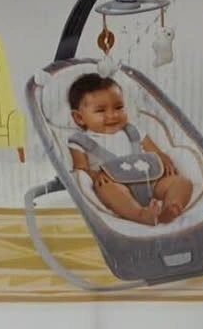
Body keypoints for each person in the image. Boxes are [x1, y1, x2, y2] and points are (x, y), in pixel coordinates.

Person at [67, 73, 192, 226]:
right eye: (101, 111)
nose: (112, 115)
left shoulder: (133, 131)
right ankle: (141, 215)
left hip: (151, 181)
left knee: (182, 182)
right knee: (108, 190)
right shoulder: (80, 141)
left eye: (119, 107)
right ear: (79, 118)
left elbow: (156, 152)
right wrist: (95, 175)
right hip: (116, 185)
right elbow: (80, 170)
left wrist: (165, 159)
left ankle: (171, 207)